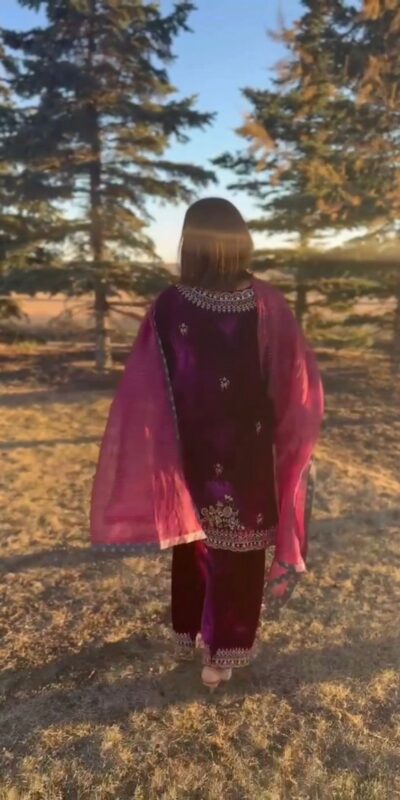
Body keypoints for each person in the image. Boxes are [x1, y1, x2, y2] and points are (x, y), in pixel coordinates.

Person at [90, 197, 324, 691]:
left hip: (191, 451)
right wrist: (291, 442)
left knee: (194, 540)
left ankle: (191, 634)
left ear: (190, 243)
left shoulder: (170, 305)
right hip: (248, 451)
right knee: (239, 549)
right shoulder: (265, 303)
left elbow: (150, 386)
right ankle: (221, 656)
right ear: (240, 240)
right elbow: (294, 384)